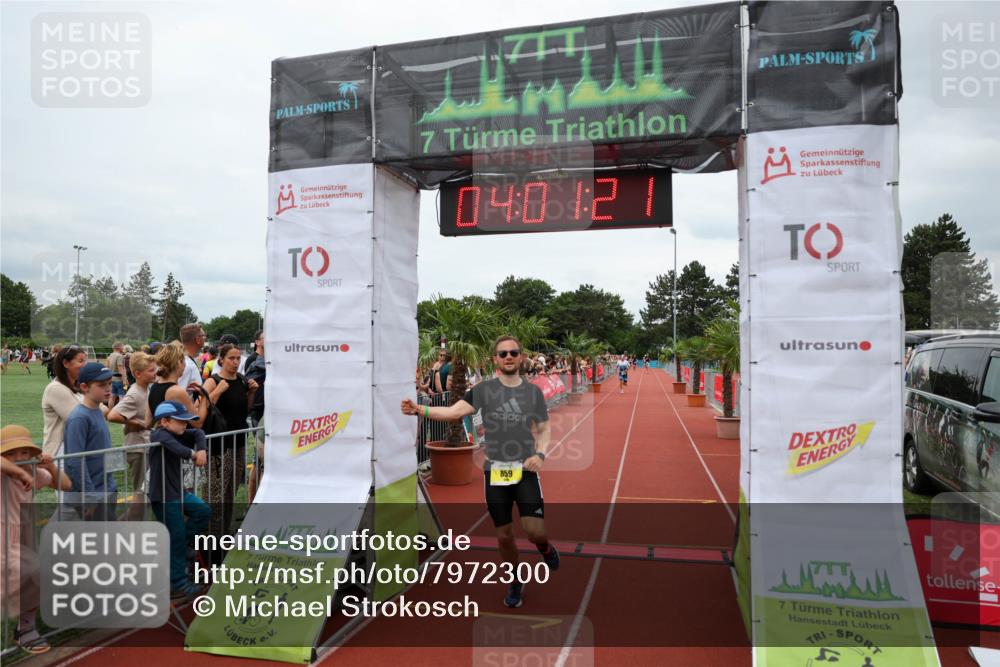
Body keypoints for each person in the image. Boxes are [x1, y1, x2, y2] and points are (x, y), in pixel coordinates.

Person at [401, 335, 560, 609]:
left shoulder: (532, 392)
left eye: (513, 352)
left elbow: (544, 429)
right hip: (497, 472)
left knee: (534, 531)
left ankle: (544, 547)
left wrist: (541, 454)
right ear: (496, 360)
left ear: (520, 357)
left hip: (525, 469)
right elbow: (453, 412)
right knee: (504, 535)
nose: (508, 357)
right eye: (503, 354)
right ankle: (515, 579)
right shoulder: (484, 390)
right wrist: (419, 409)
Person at [2, 425, 72, 654]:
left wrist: (49, 464)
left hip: (24, 530)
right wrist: (19, 472)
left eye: (23, 452)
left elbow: (65, 484)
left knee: (35, 576)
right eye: (11, 453)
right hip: (3, 533)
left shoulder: (33, 471)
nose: (19, 458)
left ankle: (26, 628)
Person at [148, 400, 210, 601]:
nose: (185, 425)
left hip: (178, 492)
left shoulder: (177, 433)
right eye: (180, 421)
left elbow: (199, 432)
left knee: (203, 512)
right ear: (164, 421)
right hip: (164, 497)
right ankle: (178, 583)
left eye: (186, 421)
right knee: (174, 537)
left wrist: (201, 449)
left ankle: (183, 546)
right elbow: (173, 446)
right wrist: (193, 454)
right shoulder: (159, 434)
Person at [202, 343, 258, 563]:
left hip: (238, 443)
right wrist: (218, 390)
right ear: (221, 360)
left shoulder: (243, 380)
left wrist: (251, 392)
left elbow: (246, 409)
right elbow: (204, 408)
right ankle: (208, 544)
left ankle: (222, 538)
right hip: (217, 446)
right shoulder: (213, 380)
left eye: (237, 358)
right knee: (215, 496)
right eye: (231, 358)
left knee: (230, 494)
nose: (235, 362)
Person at [63, 363, 118, 520]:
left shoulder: (98, 411)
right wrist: (90, 496)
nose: (108, 388)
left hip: (106, 489)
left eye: (109, 383)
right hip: (93, 494)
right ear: (84, 387)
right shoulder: (79, 418)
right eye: (101, 385)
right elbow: (75, 461)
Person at [107, 351, 156, 520]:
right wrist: (136, 423)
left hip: (145, 447)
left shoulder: (146, 389)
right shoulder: (135, 393)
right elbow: (113, 415)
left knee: (146, 497)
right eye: (150, 370)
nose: (154, 373)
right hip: (138, 449)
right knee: (141, 497)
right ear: (137, 374)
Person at [41, 345, 90, 456]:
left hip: (76, 448)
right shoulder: (56, 388)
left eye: (85, 361)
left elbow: (97, 408)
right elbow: (79, 418)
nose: (85, 365)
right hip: (60, 452)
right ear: (66, 363)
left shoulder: (78, 387)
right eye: (80, 361)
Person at [148, 342, 207, 429]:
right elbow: (197, 423)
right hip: (177, 440)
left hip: (161, 439)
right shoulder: (177, 391)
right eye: (184, 360)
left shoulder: (154, 386)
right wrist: (204, 397)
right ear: (179, 363)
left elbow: (148, 422)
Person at [243, 335, 266, 503]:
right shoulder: (255, 361)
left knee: (258, 462)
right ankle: (254, 504)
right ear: (257, 342)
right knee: (260, 462)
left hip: (264, 411)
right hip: (259, 413)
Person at [179, 323, 207, 389]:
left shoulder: (187, 361)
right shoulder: (187, 366)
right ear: (198, 339)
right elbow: (176, 396)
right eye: (204, 335)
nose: (205, 338)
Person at [106, 342, 127, 409]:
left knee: (112, 397)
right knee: (122, 397)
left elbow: (107, 368)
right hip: (119, 380)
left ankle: (110, 412)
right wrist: (125, 381)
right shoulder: (119, 356)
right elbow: (120, 369)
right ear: (119, 347)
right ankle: (119, 413)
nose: (123, 348)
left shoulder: (110, 356)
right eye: (122, 346)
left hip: (112, 379)